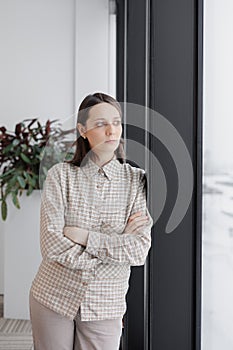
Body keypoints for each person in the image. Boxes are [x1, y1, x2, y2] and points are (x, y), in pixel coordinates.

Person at [29, 92, 154, 350]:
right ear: (83, 130)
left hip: (105, 304)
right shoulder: (60, 176)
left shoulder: (135, 181)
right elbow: (52, 245)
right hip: (52, 296)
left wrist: (85, 237)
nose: (111, 130)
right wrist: (116, 245)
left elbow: (139, 250)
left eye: (116, 122)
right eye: (100, 124)